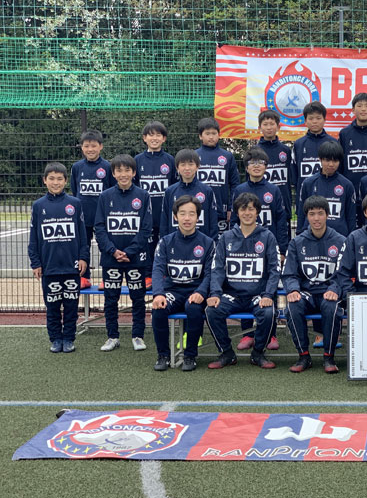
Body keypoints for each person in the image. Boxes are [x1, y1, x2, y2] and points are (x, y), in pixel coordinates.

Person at [205, 193, 280, 370]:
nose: (247, 213)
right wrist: (215, 293)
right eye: (243, 209)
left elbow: (274, 270)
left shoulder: (267, 236)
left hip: (258, 295)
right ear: (237, 212)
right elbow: (217, 269)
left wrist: (268, 295)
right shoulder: (226, 237)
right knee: (211, 310)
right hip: (232, 295)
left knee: (268, 313)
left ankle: (258, 353)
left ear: (257, 212)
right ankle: (227, 353)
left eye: (251, 209)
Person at [231, 146, 289, 352]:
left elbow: (281, 221)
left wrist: (282, 249)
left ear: (266, 166)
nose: (256, 166)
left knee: (268, 287)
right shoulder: (239, 190)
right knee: (244, 286)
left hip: (268, 247)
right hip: (244, 247)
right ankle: (247, 334)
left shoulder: (274, 190)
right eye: (252, 163)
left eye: (261, 163)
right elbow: (234, 220)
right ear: (246, 167)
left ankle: (271, 333)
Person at [28, 162, 89, 353]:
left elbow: (82, 235)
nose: (56, 182)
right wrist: (35, 263)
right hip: (49, 267)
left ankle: (69, 338)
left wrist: (83, 258)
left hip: (71, 267)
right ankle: (55, 339)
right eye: (52, 179)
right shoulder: (38, 206)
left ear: (65, 181)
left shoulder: (75, 204)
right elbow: (34, 238)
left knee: (71, 306)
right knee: (52, 306)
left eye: (60, 179)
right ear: (45, 180)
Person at [94, 154, 152, 352]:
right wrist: (113, 251)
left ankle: (138, 335)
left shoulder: (143, 195)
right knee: (111, 299)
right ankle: (112, 336)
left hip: (136, 259)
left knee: (138, 299)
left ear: (134, 172)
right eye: (119, 170)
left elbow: (146, 228)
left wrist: (129, 251)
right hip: (111, 259)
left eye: (127, 170)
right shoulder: (105, 196)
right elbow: (99, 227)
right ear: (113, 173)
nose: (123, 174)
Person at [282, 196, 346, 374]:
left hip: (329, 292)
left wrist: (334, 289)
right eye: (312, 214)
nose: (316, 218)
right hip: (307, 293)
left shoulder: (341, 241)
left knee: (331, 307)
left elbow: (345, 273)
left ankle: (329, 357)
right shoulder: (297, 242)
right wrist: (293, 289)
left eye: (320, 213)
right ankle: (303, 356)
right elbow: (289, 273)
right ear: (306, 216)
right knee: (292, 306)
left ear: (327, 215)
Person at [150, 195, 215, 371]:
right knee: (158, 309)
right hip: (173, 291)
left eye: (191, 214)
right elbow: (157, 270)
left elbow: (210, 274)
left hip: (195, 291)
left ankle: (190, 355)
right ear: (175, 216)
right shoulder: (165, 242)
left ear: (197, 217)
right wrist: (158, 294)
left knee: (193, 309)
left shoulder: (208, 243)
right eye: (183, 213)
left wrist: (201, 292)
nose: (187, 218)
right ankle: (163, 355)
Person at [135, 121, 177, 289]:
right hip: (145, 214)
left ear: (164, 138)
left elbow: (174, 186)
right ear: (144, 138)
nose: (154, 138)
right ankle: (147, 275)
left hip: (165, 212)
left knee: (166, 243)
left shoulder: (170, 160)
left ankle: (165, 274)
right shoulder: (138, 160)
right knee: (147, 245)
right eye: (150, 135)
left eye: (158, 135)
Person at [69, 129, 112, 288]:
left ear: (100, 146)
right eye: (86, 146)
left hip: (103, 217)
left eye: (93, 146)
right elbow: (75, 190)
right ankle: (84, 277)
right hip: (83, 217)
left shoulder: (107, 166)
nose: (90, 149)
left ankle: (107, 277)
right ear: (82, 147)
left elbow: (111, 191)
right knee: (83, 247)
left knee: (105, 247)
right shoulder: (77, 167)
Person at [296, 141, 357, 237]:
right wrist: (300, 235)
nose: (331, 164)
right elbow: (301, 214)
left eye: (335, 161)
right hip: (312, 237)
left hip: (339, 237)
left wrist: (350, 239)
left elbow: (351, 217)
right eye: (327, 160)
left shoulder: (347, 185)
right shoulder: (308, 183)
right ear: (320, 159)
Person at [194, 117, 240, 235]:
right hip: (197, 211)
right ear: (200, 136)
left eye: (214, 133)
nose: (211, 137)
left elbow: (234, 184)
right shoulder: (194, 156)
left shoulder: (227, 156)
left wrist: (231, 208)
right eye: (207, 133)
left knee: (220, 243)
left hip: (221, 211)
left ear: (219, 135)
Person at [290, 101, 338, 214]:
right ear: (305, 121)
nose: (315, 121)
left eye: (318, 118)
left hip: (329, 195)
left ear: (324, 119)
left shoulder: (334, 142)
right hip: (306, 196)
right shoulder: (298, 144)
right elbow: (294, 174)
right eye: (311, 118)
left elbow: (338, 170)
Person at [161, 149, 219, 241]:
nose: (187, 168)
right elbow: (164, 222)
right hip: (175, 244)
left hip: (201, 244)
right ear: (177, 168)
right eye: (183, 164)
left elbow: (213, 222)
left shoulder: (207, 191)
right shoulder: (170, 191)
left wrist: (212, 243)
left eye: (191, 164)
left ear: (197, 166)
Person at [256, 110, 294, 224]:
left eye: (272, 124)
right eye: (265, 124)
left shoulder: (286, 150)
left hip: (283, 205)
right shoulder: (254, 151)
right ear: (259, 128)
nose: (269, 127)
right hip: (262, 205)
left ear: (278, 127)